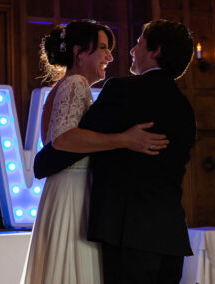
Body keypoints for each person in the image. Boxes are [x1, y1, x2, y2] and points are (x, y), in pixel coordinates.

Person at [34, 19, 196, 284]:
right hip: (171, 237)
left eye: (139, 43)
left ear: (155, 51)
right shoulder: (185, 108)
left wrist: (41, 162)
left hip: (126, 235)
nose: (131, 51)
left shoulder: (122, 91)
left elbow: (67, 145)